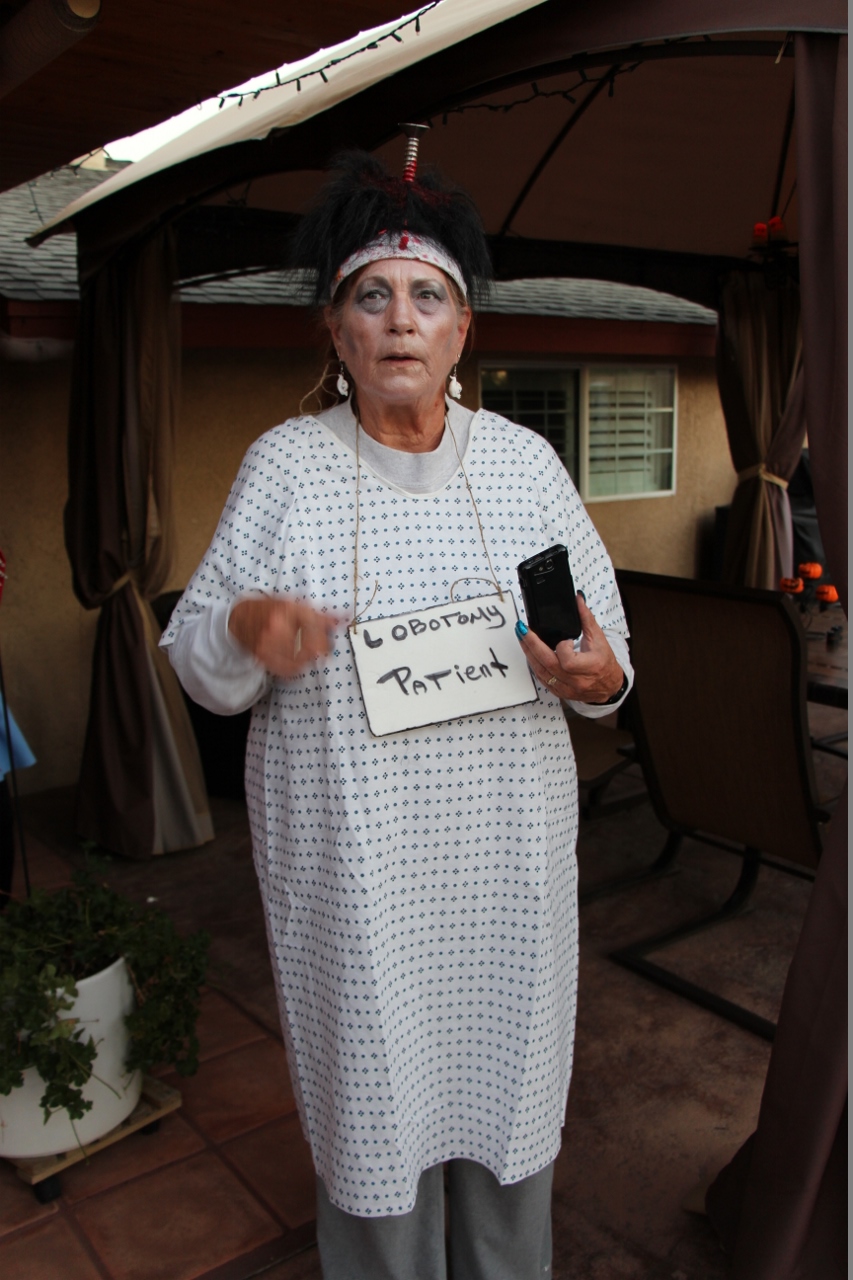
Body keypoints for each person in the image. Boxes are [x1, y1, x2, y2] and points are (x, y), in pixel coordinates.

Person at [161, 145, 633, 1280]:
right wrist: (242, 628)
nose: (401, 321)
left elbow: (609, 654)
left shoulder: (522, 467)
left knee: (505, 1109)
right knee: (375, 1127)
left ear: (462, 331)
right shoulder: (285, 469)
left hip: (501, 876)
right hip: (357, 882)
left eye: (429, 298)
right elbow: (195, 652)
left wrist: (593, 675)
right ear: (336, 331)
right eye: (371, 296)